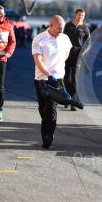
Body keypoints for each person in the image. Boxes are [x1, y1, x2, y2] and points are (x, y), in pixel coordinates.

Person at [32, 15, 72, 149]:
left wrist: (58, 68)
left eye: (63, 28)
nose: (62, 31)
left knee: (51, 108)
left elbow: (67, 53)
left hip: (58, 79)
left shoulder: (65, 38)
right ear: (51, 25)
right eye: (60, 28)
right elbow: (38, 61)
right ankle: (47, 129)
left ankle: (47, 136)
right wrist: (49, 75)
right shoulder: (39, 39)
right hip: (42, 79)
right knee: (43, 108)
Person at [64, 8, 91, 111]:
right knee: (67, 78)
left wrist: (83, 52)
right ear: (75, 15)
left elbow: (89, 43)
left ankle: (73, 102)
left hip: (78, 56)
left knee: (74, 79)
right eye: (79, 15)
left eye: (83, 15)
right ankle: (67, 98)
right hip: (66, 55)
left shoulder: (84, 28)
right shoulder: (68, 25)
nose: (81, 17)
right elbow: (61, 37)